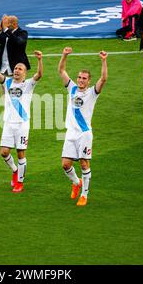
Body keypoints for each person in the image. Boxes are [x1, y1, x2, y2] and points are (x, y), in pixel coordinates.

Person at [0, 47, 43, 193]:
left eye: (20, 69)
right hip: (9, 123)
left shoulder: (28, 84)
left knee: (20, 153)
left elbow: (39, 74)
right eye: (16, 68)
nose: (16, 70)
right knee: (4, 152)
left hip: (22, 124)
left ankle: (20, 183)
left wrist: (40, 60)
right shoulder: (7, 82)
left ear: (25, 73)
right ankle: (15, 170)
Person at [58, 47, 108, 206]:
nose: (80, 80)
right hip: (70, 133)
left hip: (84, 134)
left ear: (88, 81)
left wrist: (104, 60)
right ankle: (76, 182)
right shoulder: (71, 88)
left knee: (84, 163)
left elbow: (104, 79)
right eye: (79, 77)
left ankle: (84, 195)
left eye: (84, 78)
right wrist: (64, 55)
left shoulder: (93, 92)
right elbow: (61, 70)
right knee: (65, 164)